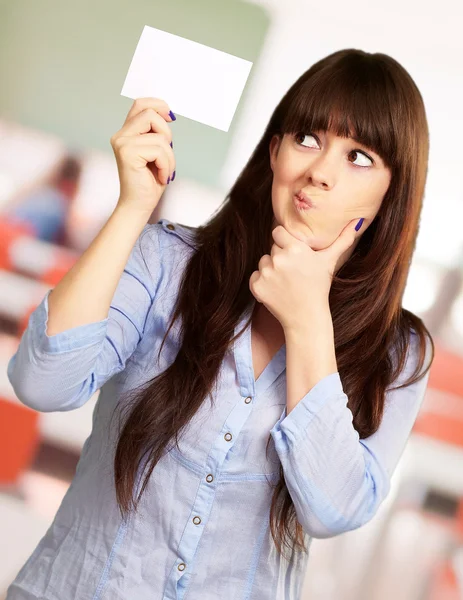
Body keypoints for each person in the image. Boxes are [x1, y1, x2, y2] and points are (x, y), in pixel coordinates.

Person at [6, 48, 435, 600]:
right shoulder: (166, 262)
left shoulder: (400, 352)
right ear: (275, 150)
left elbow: (335, 509)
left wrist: (308, 323)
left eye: (359, 156)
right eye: (307, 139)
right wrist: (133, 208)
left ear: (390, 192)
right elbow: (42, 384)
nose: (320, 172)